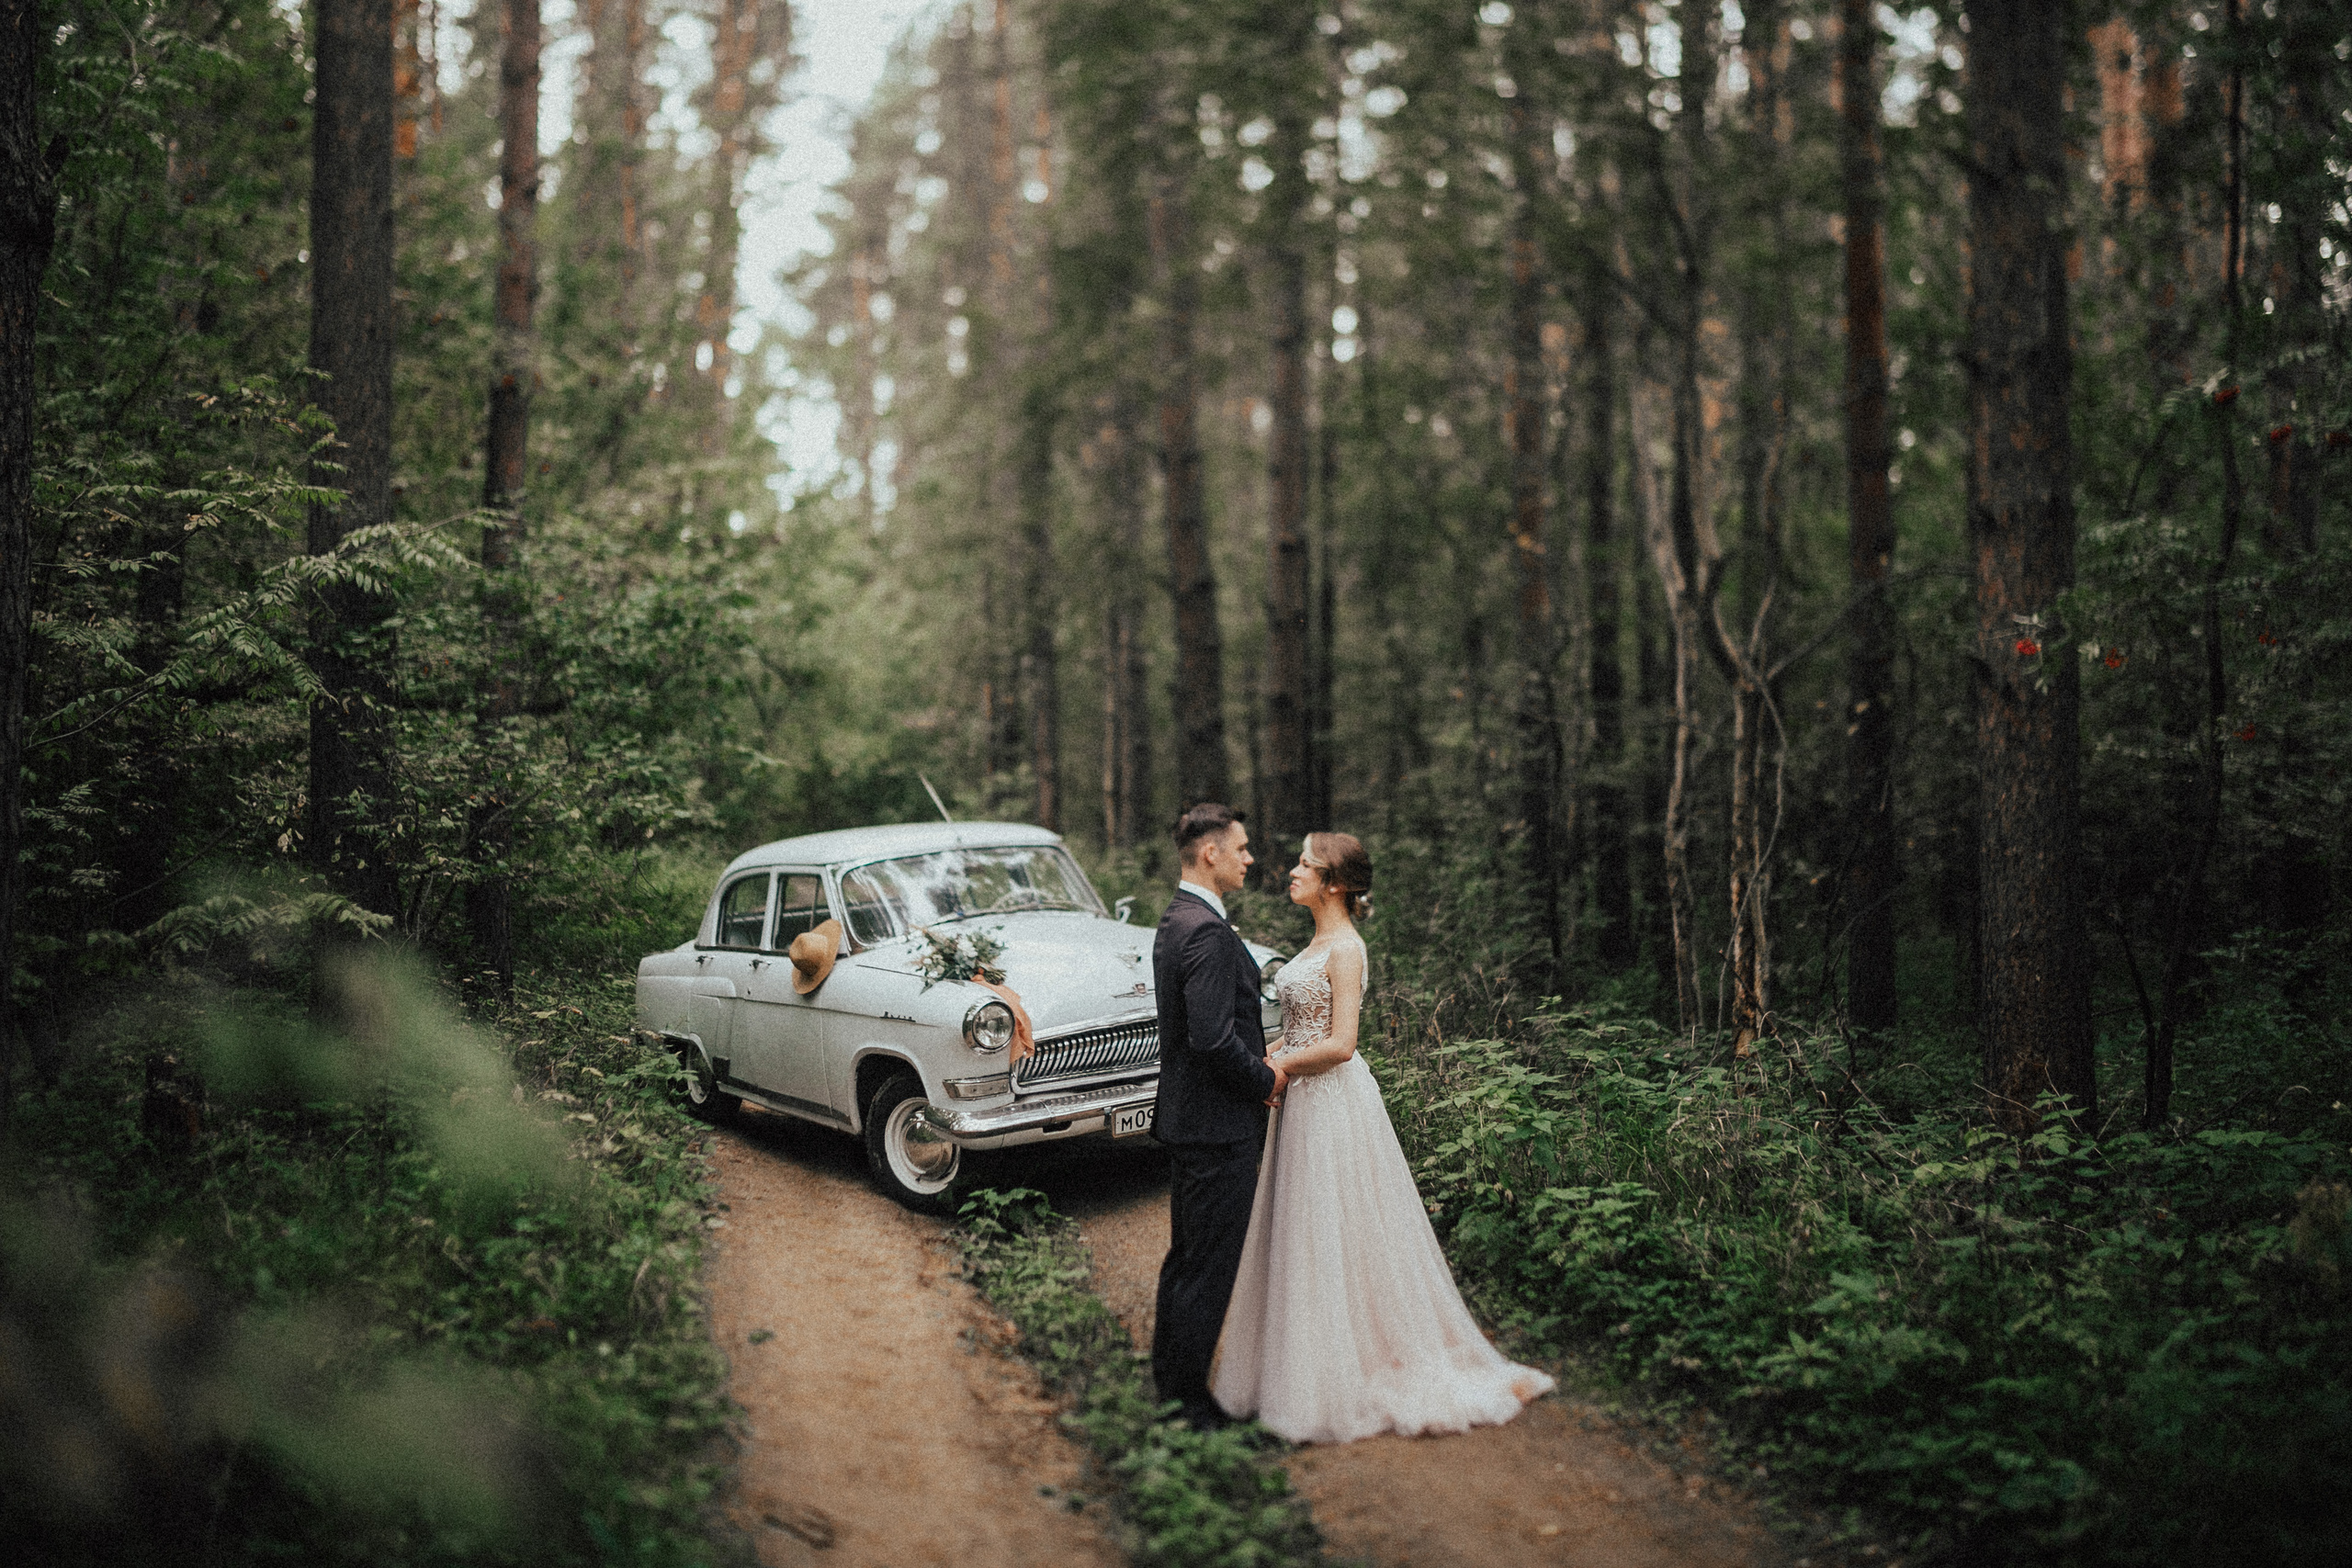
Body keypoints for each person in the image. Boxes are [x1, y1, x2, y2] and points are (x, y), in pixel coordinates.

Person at [1212, 831, 1554, 1443]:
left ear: (1334, 883)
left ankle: (1345, 1374)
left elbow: (1342, 1043)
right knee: (1305, 1228)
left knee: (1335, 1228)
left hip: (1332, 1102)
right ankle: (1308, 1365)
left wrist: (1281, 1068)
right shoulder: (1315, 942)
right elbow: (1298, 1029)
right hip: (1301, 1100)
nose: (1292, 872)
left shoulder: (1346, 948)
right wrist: (1254, 1061)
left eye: (1305, 865)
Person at [1150, 803, 1288, 1430]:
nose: (1249, 858)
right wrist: (1265, 1078)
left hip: (1190, 1119)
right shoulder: (1205, 930)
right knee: (1207, 1264)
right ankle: (1188, 1407)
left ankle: (1170, 1382)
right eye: (1241, 847)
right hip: (1216, 1126)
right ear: (1210, 853)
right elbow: (1209, 1038)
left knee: (1188, 1256)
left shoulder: (1177, 917)